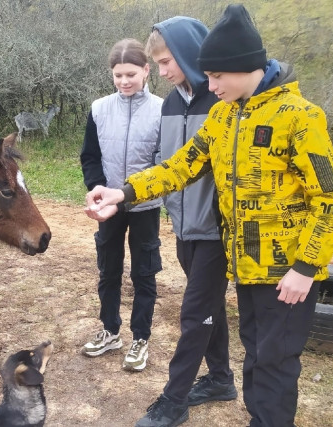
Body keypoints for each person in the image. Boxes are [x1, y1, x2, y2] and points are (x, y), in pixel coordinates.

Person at [84, 5, 333, 427]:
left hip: (287, 273)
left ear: (245, 68)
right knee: (255, 352)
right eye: (206, 77)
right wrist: (125, 192)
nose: (209, 85)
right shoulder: (225, 116)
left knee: (275, 361)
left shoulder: (300, 117)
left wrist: (305, 267)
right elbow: (180, 166)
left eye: (216, 77)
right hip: (243, 266)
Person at [134, 17, 236, 427]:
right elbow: (170, 165)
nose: (161, 72)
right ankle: (222, 379)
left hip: (215, 230)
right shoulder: (173, 103)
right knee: (209, 308)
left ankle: (174, 400)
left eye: (165, 62)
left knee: (195, 314)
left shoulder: (223, 100)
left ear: (191, 53)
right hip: (182, 226)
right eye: (156, 64)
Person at [79, 38, 164, 372]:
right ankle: (110, 330)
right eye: (118, 75)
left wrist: (134, 193)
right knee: (108, 269)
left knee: (144, 273)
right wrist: (96, 188)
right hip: (108, 207)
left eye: (131, 74)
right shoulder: (99, 108)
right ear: (111, 74)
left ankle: (140, 337)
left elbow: (164, 161)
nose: (124, 81)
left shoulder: (163, 109)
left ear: (146, 71)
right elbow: (90, 155)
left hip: (146, 206)